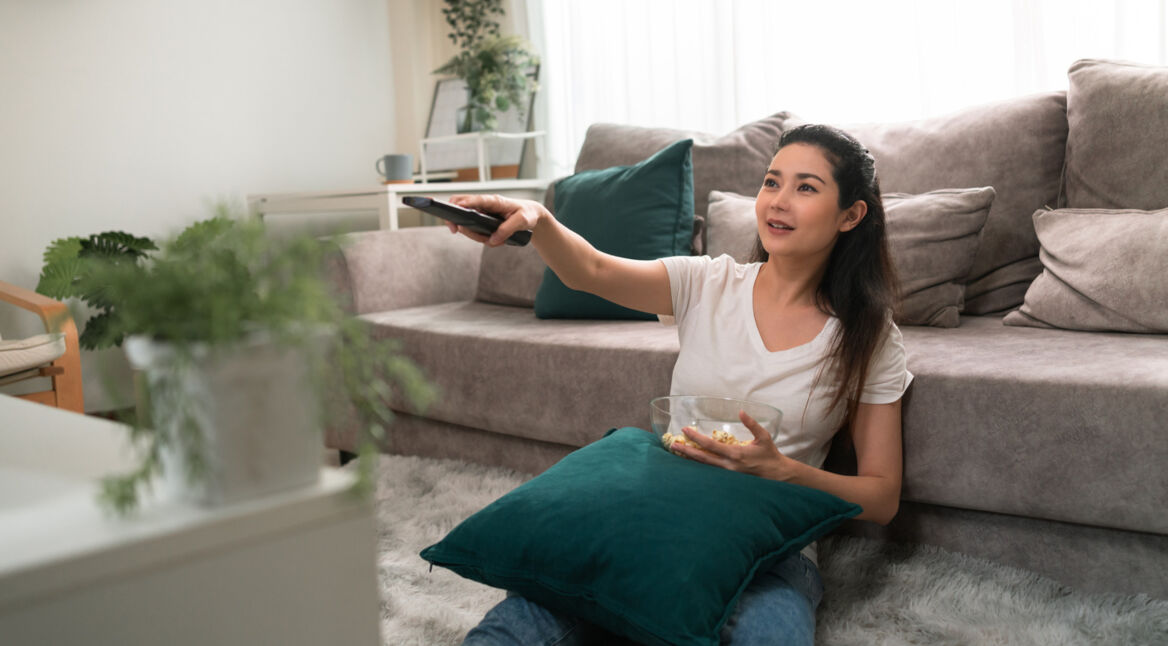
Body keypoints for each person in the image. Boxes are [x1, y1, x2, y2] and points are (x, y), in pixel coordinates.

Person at [443, 124, 912, 646]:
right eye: (771, 182)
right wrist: (539, 220)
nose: (778, 202)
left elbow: (881, 496)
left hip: (770, 548)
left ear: (851, 215)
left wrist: (783, 472)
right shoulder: (707, 282)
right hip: (659, 517)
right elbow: (592, 271)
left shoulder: (868, 336)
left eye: (806, 188)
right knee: (518, 628)